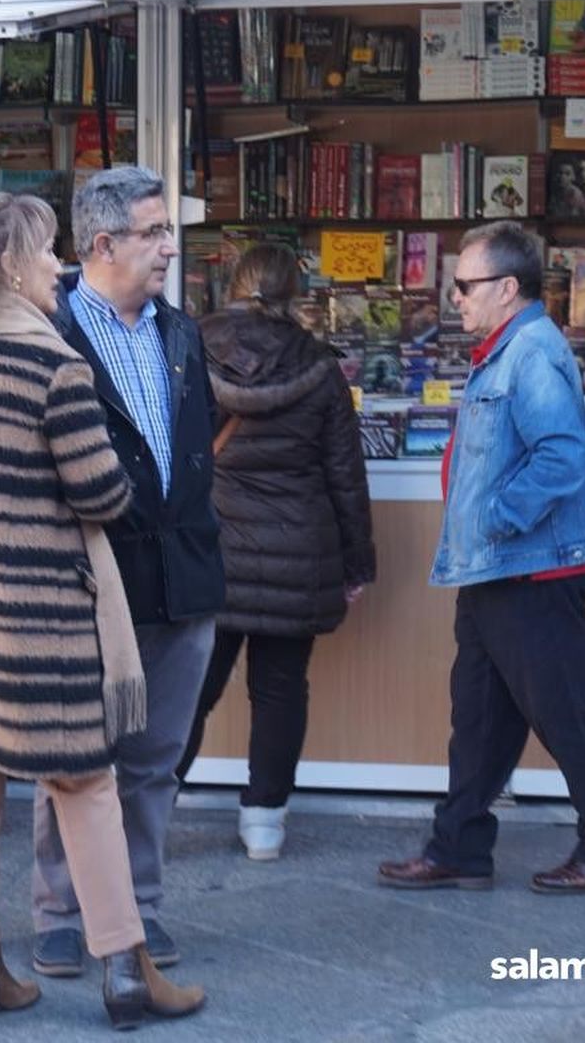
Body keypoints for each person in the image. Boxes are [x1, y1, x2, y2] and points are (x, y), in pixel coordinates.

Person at [0, 192, 204, 1029]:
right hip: (39, 619)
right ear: (6, 265)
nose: (56, 267)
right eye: (42, 252)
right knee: (85, 783)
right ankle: (126, 971)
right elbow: (102, 492)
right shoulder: (52, 367)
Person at [377, 221, 585, 895]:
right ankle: (459, 846)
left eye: (465, 285)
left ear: (507, 287)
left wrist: (494, 517)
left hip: (529, 569)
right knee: (480, 719)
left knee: (564, 712)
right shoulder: (502, 350)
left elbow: (560, 457)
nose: (455, 298)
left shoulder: (531, 353)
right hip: (494, 569)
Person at [32, 166, 225, 977]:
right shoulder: (45, 334)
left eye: (168, 231)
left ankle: (140, 907)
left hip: (183, 579)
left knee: (155, 759)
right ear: (103, 244)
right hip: (87, 584)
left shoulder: (181, 333)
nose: (170, 249)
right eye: (154, 233)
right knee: (75, 757)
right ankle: (60, 912)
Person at [174, 244, 376, 860]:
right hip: (300, 548)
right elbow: (345, 474)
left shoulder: (189, 346)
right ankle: (264, 820)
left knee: (190, 687)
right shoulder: (319, 364)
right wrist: (357, 561)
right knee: (282, 686)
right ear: (296, 293)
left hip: (210, 546)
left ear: (233, 285)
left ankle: (150, 808)